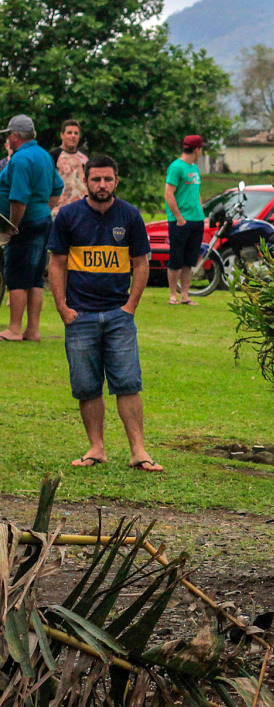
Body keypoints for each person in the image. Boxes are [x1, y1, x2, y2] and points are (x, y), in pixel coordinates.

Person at [47, 154, 163, 472]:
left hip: (118, 316)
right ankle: (96, 448)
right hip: (79, 316)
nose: (102, 185)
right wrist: (62, 308)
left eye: (107, 179)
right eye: (96, 179)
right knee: (87, 385)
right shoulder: (68, 216)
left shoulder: (130, 215)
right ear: (86, 180)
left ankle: (139, 451)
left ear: (116, 181)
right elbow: (56, 263)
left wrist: (130, 307)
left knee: (127, 383)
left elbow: (141, 263)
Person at [0, 114, 63, 342]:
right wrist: (43, 210)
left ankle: (15, 329)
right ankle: (32, 330)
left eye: (8, 135)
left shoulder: (20, 159)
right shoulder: (44, 155)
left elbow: (18, 199)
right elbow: (58, 186)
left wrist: (11, 227)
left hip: (24, 225)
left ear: (16, 136)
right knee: (35, 277)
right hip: (43, 221)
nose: (7, 139)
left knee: (16, 275)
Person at [164, 134, 205, 305]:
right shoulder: (176, 167)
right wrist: (179, 218)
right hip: (180, 221)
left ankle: (185, 296)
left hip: (197, 220)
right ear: (197, 149)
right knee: (176, 260)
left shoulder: (194, 168)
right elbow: (168, 194)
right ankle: (173, 295)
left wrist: (201, 209)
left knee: (189, 261)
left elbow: (195, 193)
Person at [50, 119, 88, 216]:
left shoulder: (85, 158)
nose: (73, 136)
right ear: (62, 135)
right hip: (59, 211)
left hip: (82, 211)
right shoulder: (53, 155)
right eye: (69, 133)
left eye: (76, 133)